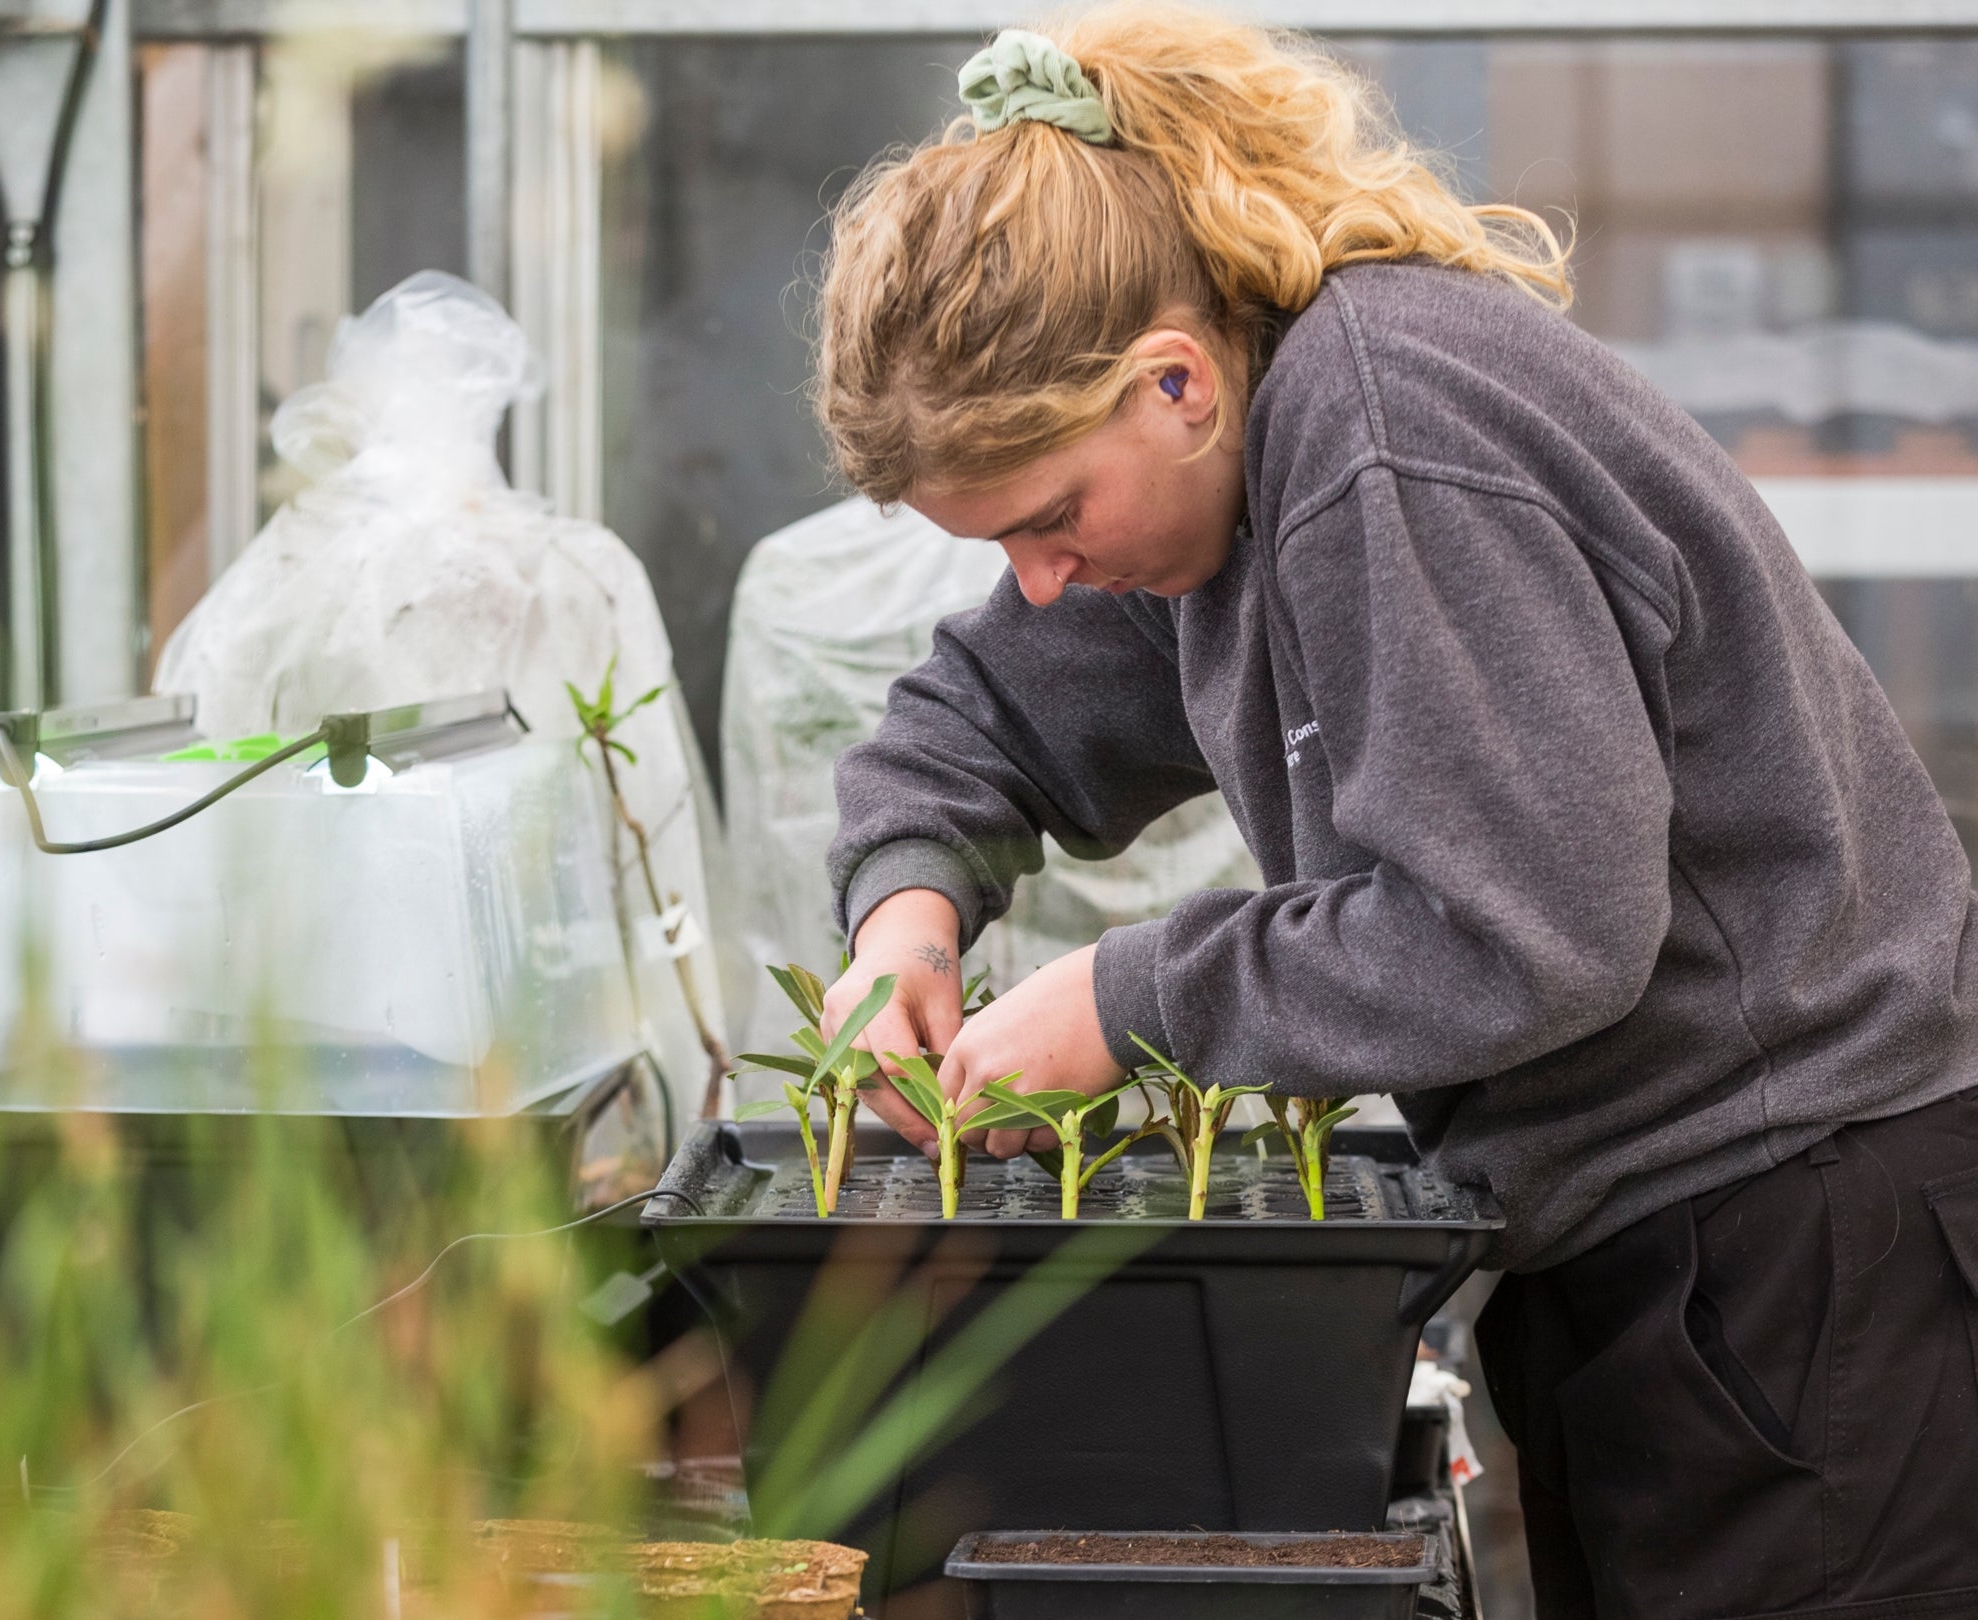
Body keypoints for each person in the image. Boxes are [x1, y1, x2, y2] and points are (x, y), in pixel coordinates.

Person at [810, 8, 1978, 1616]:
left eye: (1050, 518)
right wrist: (903, 916)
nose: (1045, 579)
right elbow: (984, 714)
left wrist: (1128, 1002)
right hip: (1659, 1241)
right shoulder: (1225, 460)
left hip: (1798, 1244)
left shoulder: (1386, 432)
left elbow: (1529, 932)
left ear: (1173, 380)